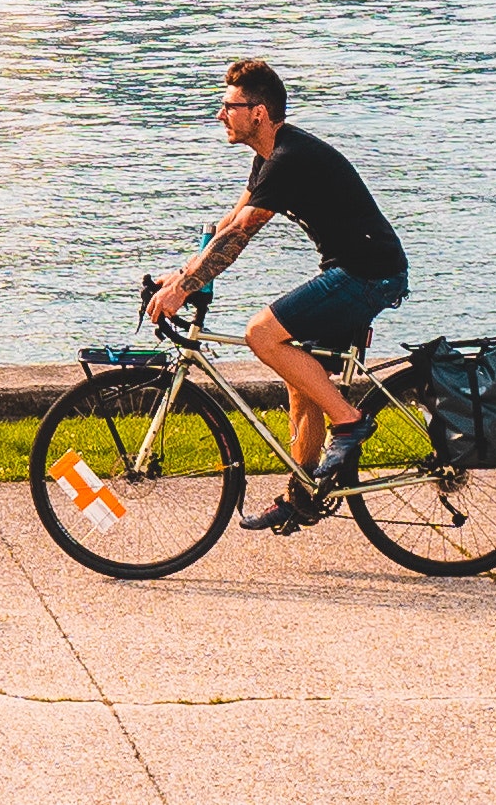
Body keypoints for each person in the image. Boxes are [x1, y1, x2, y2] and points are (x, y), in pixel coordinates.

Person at [145, 55, 410, 534]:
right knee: (300, 375)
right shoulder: (269, 158)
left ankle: (349, 423)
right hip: (354, 269)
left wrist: (184, 291)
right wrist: (181, 274)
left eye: (229, 106)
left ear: (259, 113)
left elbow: (244, 231)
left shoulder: (289, 159)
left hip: (368, 275)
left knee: (261, 335)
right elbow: (229, 222)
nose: (220, 115)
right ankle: (303, 492)